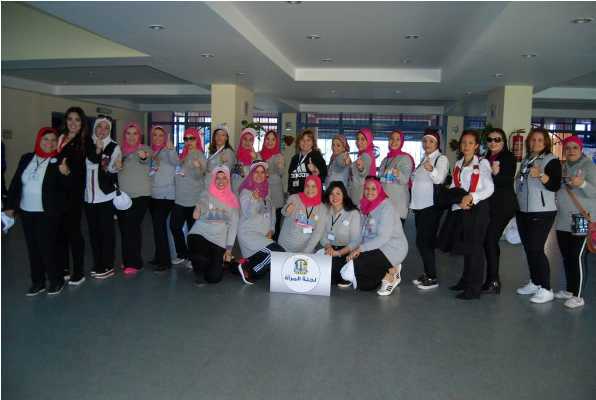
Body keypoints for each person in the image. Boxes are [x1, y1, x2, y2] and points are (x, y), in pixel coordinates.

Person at [6, 127, 72, 295]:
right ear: (39, 140)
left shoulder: (59, 160)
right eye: (45, 139)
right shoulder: (27, 158)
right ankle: (38, 282)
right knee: (33, 248)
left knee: (48, 248)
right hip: (26, 212)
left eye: (53, 140)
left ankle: (56, 280)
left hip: (47, 213)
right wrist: (10, 207)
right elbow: (15, 183)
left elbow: (67, 189)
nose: (49, 143)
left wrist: (65, 174)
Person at [438, 130, 494, 300]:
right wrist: (456, 201)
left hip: (478, 209)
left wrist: (471, 197)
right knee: (467, 246)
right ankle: (465, 281)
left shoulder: (482, 163)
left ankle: (474, 288)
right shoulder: (459, 163)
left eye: (470, 143)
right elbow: (455, 186)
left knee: (475, 249)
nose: (466, 146)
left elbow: (489, 188)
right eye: (464, 142)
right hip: (462, 208)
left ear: (476, 146)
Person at [515, 128, 562, 304]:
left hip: (542, 211)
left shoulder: (551, 160)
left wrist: (541, 175)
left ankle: (546, 288)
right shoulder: (527, 159)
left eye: (540, 140)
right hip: (523, 211)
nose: (535, 143)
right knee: (529, 249)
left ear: (546, 143)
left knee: (536, 249)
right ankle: (535, 282)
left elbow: (555, 184)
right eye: (533, 140)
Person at [340, 177, 407, 296]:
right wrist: (348, 249)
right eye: (367, 188)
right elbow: (360, 234)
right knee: (363, 284)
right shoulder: (363, 205)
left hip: (392, 248)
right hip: (373, 246)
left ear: (379, 190)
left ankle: (391, 276)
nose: (369, 192)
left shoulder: (387, 207)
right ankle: (389, 269)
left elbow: (383, 238)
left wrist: (360, 249)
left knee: (357, 266)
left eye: (373, 189)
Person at [554, 135, 595, 309]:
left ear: (581, 149)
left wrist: (583, 184)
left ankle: (578, 296)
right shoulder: (563, 166)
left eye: (575, 148)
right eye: (568, 148)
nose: (571, 151)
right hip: (563, 219)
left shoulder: (589, 166)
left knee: (577, 257)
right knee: (567, 257)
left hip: (581, 218)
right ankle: (570, 290)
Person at [410, 129, 449, 289]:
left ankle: (432, 277)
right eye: (425, 141)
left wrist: (431, 169)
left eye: (431, 141)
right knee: (423, 242)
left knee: (424, 242)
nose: (427, 144)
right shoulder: (425, 158)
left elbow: (440, 178)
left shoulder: (441, 158)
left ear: (437, 144)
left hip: (430, 207)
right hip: (420, 207)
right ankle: (428, 273)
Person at [187, 166, 239, 285]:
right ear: (213, 179)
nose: (221, 181)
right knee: (200, 257)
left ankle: (213, 262)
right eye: (218, 178)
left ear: (228, 180)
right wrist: (198, 208)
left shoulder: (233, 200)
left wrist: (229, 249)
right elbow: (201, 204)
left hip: (218, 240)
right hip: (200, 234)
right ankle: (198, 265)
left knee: (214, 278)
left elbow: (233, 226)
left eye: (224, 178)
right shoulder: (207, 193)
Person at [236, 162, 285, 284]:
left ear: (266, 175)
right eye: (256, 172)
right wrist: (254, 200)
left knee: (275, 259)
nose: (259, 175)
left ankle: (242, 265)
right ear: (251, 174)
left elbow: (272, 213)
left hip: (263, 236)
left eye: (262, 172)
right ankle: (250, 272)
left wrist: (271, 230)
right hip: (249, 234)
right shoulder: (246, 192)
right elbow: (249, 213)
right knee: (277, 253)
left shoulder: (267, 192)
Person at [84, 117, 120, 279]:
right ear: (94, 128)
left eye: (106, 128)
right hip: (88, 197)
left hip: (105, 196)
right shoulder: (86, 144)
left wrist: (115, 167)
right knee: (93, 233)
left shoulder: (113, 146)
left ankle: (108, 265)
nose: (102, 130)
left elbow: (109, 169)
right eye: (99, 126)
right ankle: (98, 263)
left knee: (106, 233)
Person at [482, 128, 517, 294]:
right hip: (489, 205)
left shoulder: (508, 157)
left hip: (503, 206)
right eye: (490, 139)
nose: (493, 142)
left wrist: (496, 174)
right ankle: (492, 279)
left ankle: (493, 281)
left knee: (490, 240)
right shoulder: (486, 157)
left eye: (497, 139)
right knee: (489, 241)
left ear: (503, 142)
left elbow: (507, 180)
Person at [55, 106, 87, 284]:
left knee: (74, 232)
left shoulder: (83, 142)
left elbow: (82, 170)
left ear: (82, 123)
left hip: (73, 193)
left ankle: (79, 271)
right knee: (59, 232)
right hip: (56, 193)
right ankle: (64, 267)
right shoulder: (58, 138)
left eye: (77, 120)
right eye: (70, 119)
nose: (73, 123)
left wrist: (68, 173)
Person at [115, 122, 151, 274]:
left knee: (132, 228)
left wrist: (143, 156)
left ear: (139, 135)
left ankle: (135, 263)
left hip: (140, 196)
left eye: (135, 133)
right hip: (123, 197)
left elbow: (147, 159)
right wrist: (115, 166)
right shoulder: (119, 150)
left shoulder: (144, 149)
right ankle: (127, 260)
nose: (131, 136)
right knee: (124, 229)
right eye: (128, 133)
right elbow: (113, 169)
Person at [169, 127, 206, 267]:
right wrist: (171, 150)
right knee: (174, 226)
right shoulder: (183, 154)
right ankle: (183, 254)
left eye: (192, 138)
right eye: (186, 138)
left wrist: (197, 167)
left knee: (192, 231)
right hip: (180, 199)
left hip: (193, 200)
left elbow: (199, 176)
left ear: (197, 140)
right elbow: (177, 168)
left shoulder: (199, 155)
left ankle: (193, 258)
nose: (189, 141)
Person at [319, 181, 361, 287]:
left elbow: (355, 241)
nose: (334, 197)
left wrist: (338, 253)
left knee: (334, 274)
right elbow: (322, 234)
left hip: (347, 251)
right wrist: (328, 247)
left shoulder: (353, 213)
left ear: (344, 195)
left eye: (338, 193)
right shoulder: (325, 211)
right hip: (330, 249)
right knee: (319, 270)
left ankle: (347, 275)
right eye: (331, 194)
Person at [148, 126, 178, 272]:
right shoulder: (152, 152)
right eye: (155, 135)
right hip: (153, 195)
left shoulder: (167, 151)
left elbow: (176, 162)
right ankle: (158, 256)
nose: (158, 138)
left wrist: (171, 150)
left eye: (161, 135)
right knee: (156, 227)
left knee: (159, 228)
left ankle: (165, 261)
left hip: (166, 196)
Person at [278, 175, 327, 253]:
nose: (310, 189)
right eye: (307, 186)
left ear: (319, 188)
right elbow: (283, 212)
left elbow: (317, 233)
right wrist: (287, 210)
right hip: (284, 245)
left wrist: (305, 252)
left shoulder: (322, 209)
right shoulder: (294, 198)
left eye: (313, 186)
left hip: (303, 249)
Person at [378, 130, 414, 224]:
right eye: (392, 138)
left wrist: (398, 173)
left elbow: (405, 179)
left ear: (402, 142)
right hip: (384, 205)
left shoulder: (405, 158)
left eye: (397, 139)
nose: (394, 141)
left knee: (396, 233)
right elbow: (381, 179)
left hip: (398, 205)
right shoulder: (385, 159)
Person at [260, 130, 285, 240]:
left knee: (276, 223)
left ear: (276, 142)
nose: (270, 142)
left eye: (273, 139)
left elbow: (281, 173)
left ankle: (274, 247)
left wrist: (280, 166)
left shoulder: (279, 156)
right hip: (262, 192)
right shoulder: (259, 154)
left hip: (275, 193)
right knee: (262, 221)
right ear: (264, 140)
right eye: (268, 139)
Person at [287, 129, 327, 195]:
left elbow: (323, 176)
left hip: (312, 194)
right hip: (296, 195)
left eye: (308, 140)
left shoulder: (317, 156)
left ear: (312, 143)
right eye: (302, 140)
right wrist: (290, 192)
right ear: (299, 142)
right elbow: (290, 177)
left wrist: (315, 170)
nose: (305, 142)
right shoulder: (295, 158)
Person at [350, 128, 376, 206]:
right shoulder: (366, 153)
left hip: (360, 196)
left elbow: (364, 173)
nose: (359, 142)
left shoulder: (366, 155)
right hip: (362, 194)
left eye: (362, 139)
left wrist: (361, 169)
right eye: (357, 139)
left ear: (369, 140)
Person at [232, 128, 259, 192]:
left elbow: (259, 175)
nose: (247, 142)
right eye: (245, 139)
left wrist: (254, 159)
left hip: (250, 190)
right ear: (241, 140)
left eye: (250, 140)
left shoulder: (257, 156)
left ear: (253, 142)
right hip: (236, 188)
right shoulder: (235, 155)